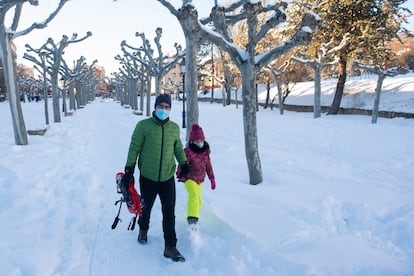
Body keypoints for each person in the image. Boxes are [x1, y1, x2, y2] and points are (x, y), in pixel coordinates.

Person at [120, 93, 189, 262]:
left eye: (166, 107)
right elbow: (134, 148)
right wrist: (129, 169)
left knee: (169, 212)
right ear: (155, 107)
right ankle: (143, 229)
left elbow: (178, 149)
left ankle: (170, 247)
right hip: (148, 177)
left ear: (170, 109)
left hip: (167, 178)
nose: (163, 110)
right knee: (145, 207)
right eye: (161, 106)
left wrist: (184, 164)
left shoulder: (173, 128)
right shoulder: (143, 126)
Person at [177, 123, 216, 230]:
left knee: (198, 200)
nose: (200, 143)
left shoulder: (205, 153)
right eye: (197, 141)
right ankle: (192, 220)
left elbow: (209, 166)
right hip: (190, 178)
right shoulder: (188, 152)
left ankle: (196, 216)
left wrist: (212, 179)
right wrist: (181, 175)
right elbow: (182, 164)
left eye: (201, 141)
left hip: (200, 180)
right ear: (192, 142)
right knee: (193, 196)